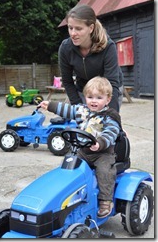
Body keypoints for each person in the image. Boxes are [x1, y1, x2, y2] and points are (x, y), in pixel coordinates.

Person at [38, 76, 121, 218]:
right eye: (90, 97)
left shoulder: (110, 116)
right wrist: (50, 105)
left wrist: (99, 143)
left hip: (102, 153)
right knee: (67, 164)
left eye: (99, 97)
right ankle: (64, 194)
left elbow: (111, 132)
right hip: (82, 151)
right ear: (85, 97)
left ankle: (105, 201)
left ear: (108, 99)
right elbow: (66, 109)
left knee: (104, 171)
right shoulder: (82, 111)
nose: (93, 101)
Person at [58, 4, 124, 112]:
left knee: (101, 124)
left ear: (91, 28)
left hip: (107, 91)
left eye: (79, 28)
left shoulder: (108, 46)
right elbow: (67, 81)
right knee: (72, 123)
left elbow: (112, 83)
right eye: (70, 28)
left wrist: (112, 116)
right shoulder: (65, 48)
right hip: (82, 89)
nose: (73, 33)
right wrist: (79, 108)